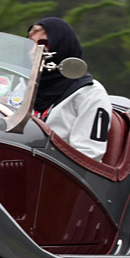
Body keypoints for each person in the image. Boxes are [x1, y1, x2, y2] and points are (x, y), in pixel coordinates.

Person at [27, 17, 113, 162]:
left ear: (62, 45)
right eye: (30, 44)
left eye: (43, 44)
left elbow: (87, 154)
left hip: (59, 174)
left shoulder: (89, 92)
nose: (33, 51)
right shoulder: (22, 84)